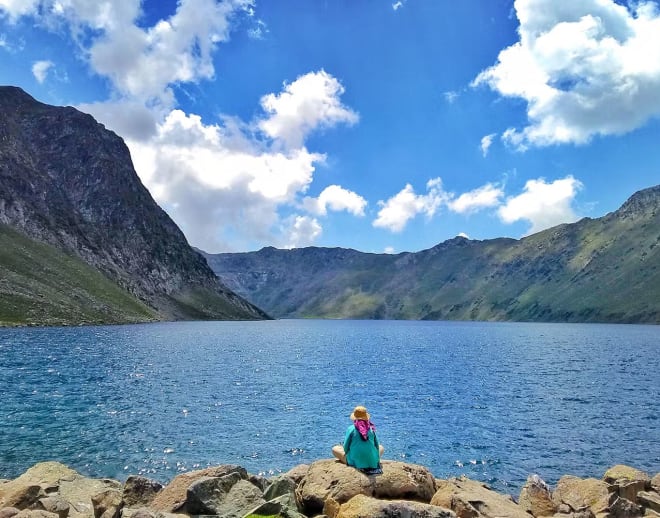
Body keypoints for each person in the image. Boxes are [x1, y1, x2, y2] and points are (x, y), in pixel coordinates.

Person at [332, 405, 384, 471]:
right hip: (373, 462)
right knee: (381, 447)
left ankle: (357, 459)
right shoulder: (371, 429)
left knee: (335, 449)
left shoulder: (351, 429)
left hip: (355, 462)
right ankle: (371, 458)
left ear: (355, 417)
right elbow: (377, 446)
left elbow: (345, 448)